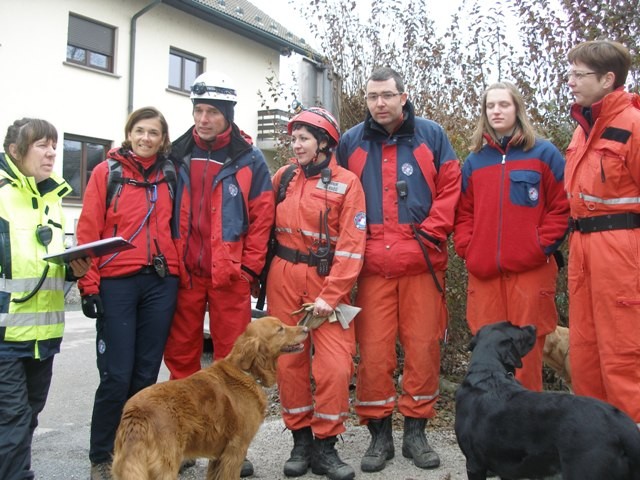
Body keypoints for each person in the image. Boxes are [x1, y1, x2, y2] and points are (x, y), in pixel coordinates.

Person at [337, 67, 461, 473]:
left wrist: (431, 233)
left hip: (422, 263)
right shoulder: (351, 142)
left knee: (423, 347)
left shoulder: (431, 136)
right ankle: (379, 436)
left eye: (387, 95)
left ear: (403, 96)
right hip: (371, 266)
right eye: (373, 96)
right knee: (372, 353)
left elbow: (450, 188)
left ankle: (415, 432)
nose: (380, 103)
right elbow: (336, 196)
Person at [163, 71, 275, 475]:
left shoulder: (249, 158)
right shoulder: (176, 152)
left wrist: (249, 267)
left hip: (231, 277)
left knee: (234, 361)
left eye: (211, 111)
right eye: (198, 110)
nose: (203, 119)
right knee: (181, 358)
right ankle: (188, 440)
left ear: (228, 114)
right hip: (186, 273)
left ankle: (233, 446)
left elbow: (263, 217)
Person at [76, 107, 181, 480]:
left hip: (160, 281)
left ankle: (136, 452)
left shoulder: (170, 174)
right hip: (116, 281)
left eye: (154, 132)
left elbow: (177, 227)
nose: (146, 138)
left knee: (145, 375)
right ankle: (102, 456)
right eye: (140, 131)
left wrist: (178, 273)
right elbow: (87, 231)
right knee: (116, 376)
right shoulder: (108, 173)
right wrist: (88, 285)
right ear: (129, 133)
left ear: (163, 138)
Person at [268, 107, 366, 480]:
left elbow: (353, 246)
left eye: (304, 138)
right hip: (284, 277)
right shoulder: (283, 178)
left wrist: (333, 294)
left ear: (325, 142)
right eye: (294, 139)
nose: (297, 145)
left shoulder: (347, 183)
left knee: (336, 366)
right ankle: (301, 441)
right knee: (289, 363)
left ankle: (326, 447)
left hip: (327, 284)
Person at [453, 81, 570, 391]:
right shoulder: (475, 161)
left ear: (517, 108)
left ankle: (527, 431)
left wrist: (539, 246)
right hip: (486, 276)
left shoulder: (544, 154)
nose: (496, 111)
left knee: (526, 357)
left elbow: (562, 208)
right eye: (490, 106)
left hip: (530, 274)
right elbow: (463, 213)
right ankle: (492, 431)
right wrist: (468, 248)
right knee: (487, 355)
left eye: (503, 104)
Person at [0, 118, 91, 480]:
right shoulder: (3, 196)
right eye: (42, 145)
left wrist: (73, 269)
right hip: (5, 337)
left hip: (44, 336)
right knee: (14, 417)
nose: (52, 152)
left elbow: (44, 264)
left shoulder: (53, 199)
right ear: (15, 151)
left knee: (29, 414)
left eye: (54, 145)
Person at [564, 40, 640, 425]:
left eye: (579, 74)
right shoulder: (582, 128)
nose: (571, 81)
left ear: (608, 79)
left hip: (623, 251)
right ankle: (598, 447)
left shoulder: (634, 124)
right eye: (570, 72)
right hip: (583, 248)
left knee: (624, 353)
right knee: (586, 352)